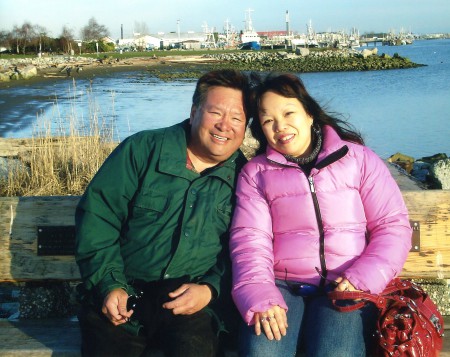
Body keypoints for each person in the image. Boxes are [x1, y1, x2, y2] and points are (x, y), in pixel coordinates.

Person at [229, 73, 412, 357]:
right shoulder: (256, 174)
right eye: (268, 120)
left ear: (310, 114)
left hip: (348, 283)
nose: (280, 126)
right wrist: (262, 297)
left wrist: (361, 279)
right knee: (262, 351)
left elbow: (393, 226)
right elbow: (250, 241)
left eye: (289, 113)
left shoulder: (358, 159)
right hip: (282, 285)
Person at [75, 69, 251, 357]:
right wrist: (110, 284)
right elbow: (99, 219)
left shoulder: (248, 178)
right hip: (124, 291)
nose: (224, 126)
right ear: (194, 111)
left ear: (246, 127)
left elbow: (246, 249)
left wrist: (209, 289)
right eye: (215, 112)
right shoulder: (142, 150)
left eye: (237, 118)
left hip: (191, 301)